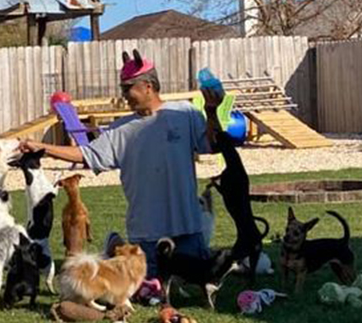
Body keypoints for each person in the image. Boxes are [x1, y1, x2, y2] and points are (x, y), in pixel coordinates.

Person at [19, 51, 222, 278]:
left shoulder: (184, 113)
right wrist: (43, 148)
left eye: (127, 88)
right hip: (146, 235)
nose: (123, 95)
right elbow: (86, 154)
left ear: (147, 86)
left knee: (195, 284)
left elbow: (213, 146)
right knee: (149, 289)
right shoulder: (120, 130)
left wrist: (211, 112)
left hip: (187, 230)